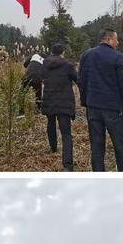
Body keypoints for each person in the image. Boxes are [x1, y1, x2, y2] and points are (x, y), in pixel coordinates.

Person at [78, 28, 123, 172]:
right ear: (108, 39)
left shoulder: (87, 55)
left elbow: (81, 80)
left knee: (96, 146)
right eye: (116, 39)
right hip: (112, 109)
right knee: (120, 145)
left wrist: (85, 101)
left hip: (93, 108)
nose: (118, 42)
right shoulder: (117, 57)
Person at [41, 44, 78, 172]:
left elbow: (42, 78)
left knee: (50, 124)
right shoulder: (68, 66)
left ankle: (53, 148)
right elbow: (78, 79)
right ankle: (67, 165)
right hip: (64, 103)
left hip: (49, 100)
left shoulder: (45, 64)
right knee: (66, 134)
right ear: (63, 52)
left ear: (52, 52)